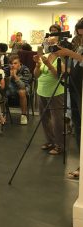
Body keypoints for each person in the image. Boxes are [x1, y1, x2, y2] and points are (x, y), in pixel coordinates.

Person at [54, 17, 83, 178]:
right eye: (79, 35)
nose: (81, 38)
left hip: (81, 91)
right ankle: (81, 164)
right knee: (78, 128)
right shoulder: (79, 48)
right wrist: (63, 58)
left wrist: (70, 53)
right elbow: (74, 67)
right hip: (75, 88)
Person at [33, 36, 65, 155]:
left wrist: (49, 65)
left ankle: (59, 145)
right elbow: (36, 75)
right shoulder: (44, 56)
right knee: (44, 118)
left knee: (57, 120)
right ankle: (50, 141)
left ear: (59, 44)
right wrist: (37, 64)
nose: (50, 45)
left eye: (53, 43)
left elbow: (59, 76)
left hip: (55, 93)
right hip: (41, 91)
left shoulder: (62, 58)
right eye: (48, 42)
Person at [4, 55, 32, 125]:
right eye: (11, 63)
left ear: (19, 63)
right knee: (1, 91)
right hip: (10, 87)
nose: (13, 65)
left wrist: (15, 76)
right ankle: (2, 114)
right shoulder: (7, 69)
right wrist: (10, 77)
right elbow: (4, 84)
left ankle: (23, 115)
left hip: (23, 86)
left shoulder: (25, 69)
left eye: (15, 63)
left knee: (22, 92)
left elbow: (22, 86)